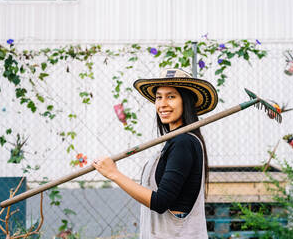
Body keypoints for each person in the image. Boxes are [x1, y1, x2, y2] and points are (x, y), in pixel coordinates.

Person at [93, 68, 218, 238]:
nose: (162, 104)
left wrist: (114, 174)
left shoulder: (184, 142)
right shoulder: (173, 142)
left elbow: (161, 201)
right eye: (159, 97)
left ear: (186, 101)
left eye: (171, 96)